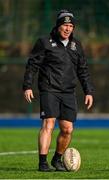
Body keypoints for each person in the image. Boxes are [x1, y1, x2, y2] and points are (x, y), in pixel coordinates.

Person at [23, 9, 94, 172]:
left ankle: (56, 159)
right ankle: (42, 163)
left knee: (67, 129)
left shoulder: (76, 46)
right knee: (49, 123)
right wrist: (27, 86)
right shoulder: (44, 42)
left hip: (68, 92)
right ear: (58, 26)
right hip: (49, 89)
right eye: (65, 25)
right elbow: (32, 66)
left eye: (71, 26)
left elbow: (83, 70)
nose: (68, 29)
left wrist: (88, 91)